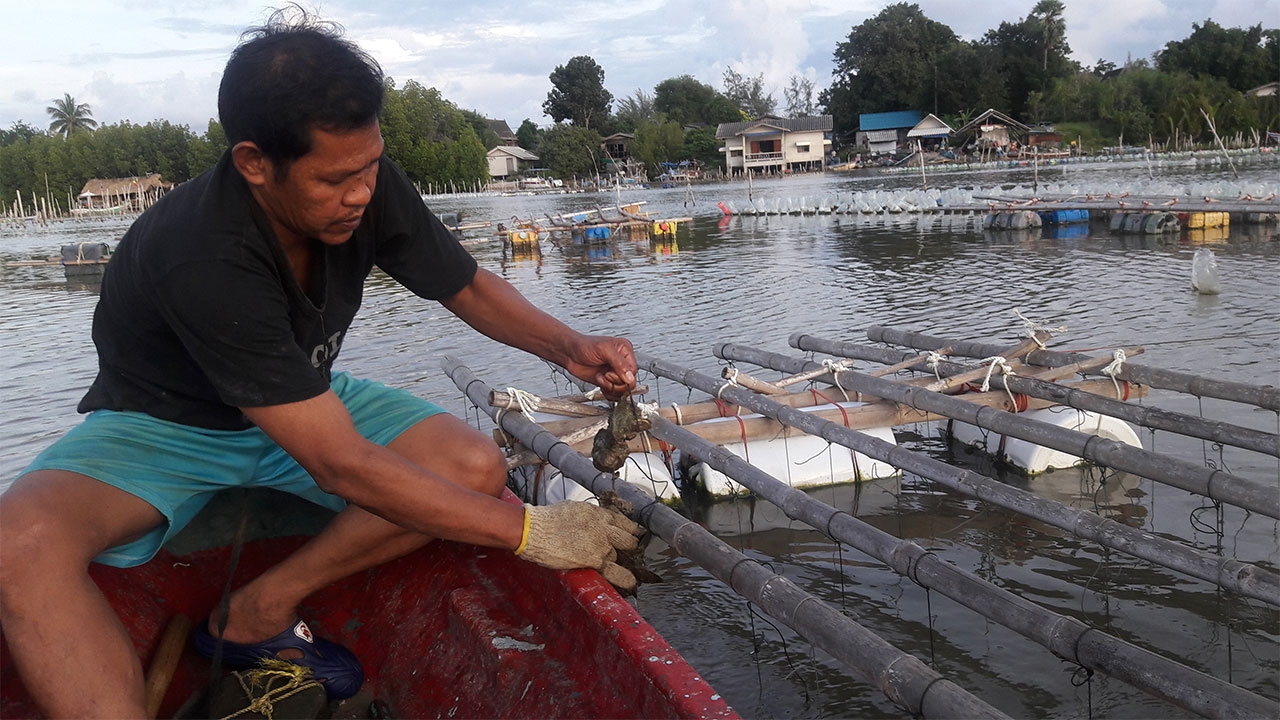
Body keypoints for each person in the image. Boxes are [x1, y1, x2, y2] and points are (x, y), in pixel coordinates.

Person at [0, 9, 642, 717]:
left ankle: (256, 609)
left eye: (370, 166)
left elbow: (460, 284)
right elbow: (340, 464)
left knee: (473, 467)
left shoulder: (365, 181)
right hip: (167, 423)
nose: (361, 194)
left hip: (302, 396)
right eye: (336, 179)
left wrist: (570, 346)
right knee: (19, 545)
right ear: (254, 163)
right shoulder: (201, 252)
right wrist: (530, 531)